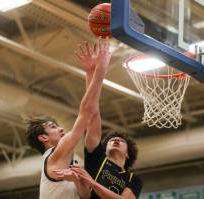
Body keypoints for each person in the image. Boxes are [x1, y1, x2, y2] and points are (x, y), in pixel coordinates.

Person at [54, 37, 143, 199]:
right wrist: (91, 71)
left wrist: (92, 183)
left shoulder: (133, 179)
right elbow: (92, 113)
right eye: (111, 140)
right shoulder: (97, 157)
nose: (115, 140)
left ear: (128, 154)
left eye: (120, 141)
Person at [25, 37, 112, 199]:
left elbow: (85, 196)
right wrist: (100, 69)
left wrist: (90, 72)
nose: (61, 129)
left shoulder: (68, 161)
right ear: (43, 137)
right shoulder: (56, 155)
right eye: (53, 127)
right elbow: (86, 111)